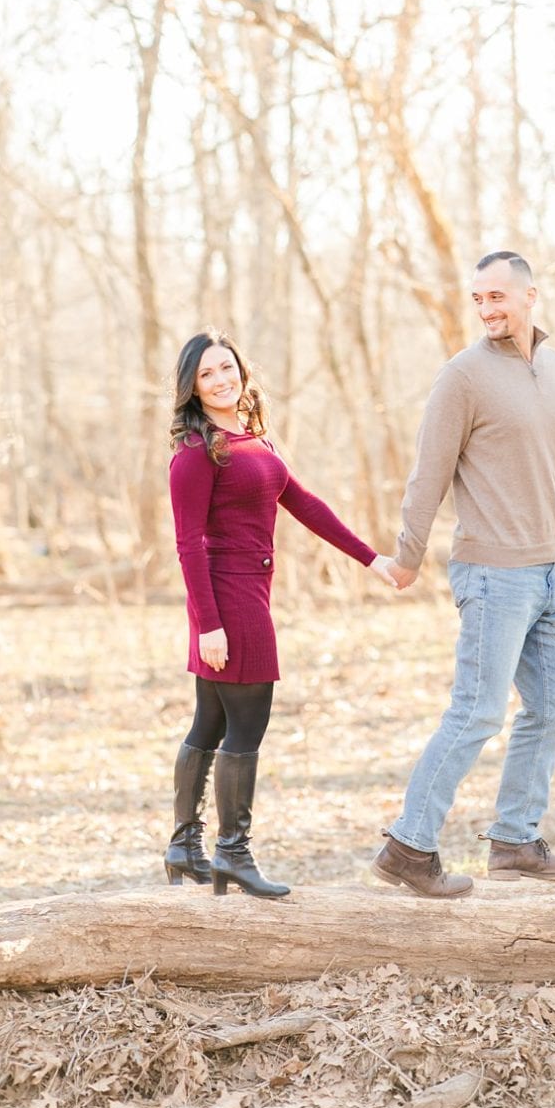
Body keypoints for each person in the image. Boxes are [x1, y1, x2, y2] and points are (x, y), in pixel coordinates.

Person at [373, 251, 555, 899]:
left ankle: (515, 840)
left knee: (554, 707)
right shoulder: (463, 377)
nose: (487, 309)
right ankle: (408, 846)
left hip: (547, 575)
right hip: (491, 574)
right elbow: (429, 472)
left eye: (498, 296)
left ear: (532, 295)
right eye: (479, 298)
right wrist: (408, 554)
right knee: (476, 713)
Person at [164, 330, 399, 898]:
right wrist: (210, 624)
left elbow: (307, 505)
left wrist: (373, 559)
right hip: (229, 599)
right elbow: (189, 544)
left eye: (227, 369)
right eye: (207, 375)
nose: (221, 381)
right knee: (247, 726)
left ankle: (184, 846)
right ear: (192, 388)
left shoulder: (253, 443)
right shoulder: (199, 452)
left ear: (242, 372)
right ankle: (232, 854)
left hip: (244, 594)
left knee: (211, 724)